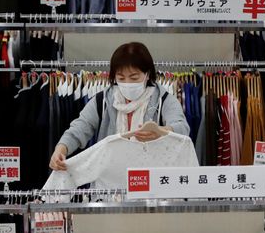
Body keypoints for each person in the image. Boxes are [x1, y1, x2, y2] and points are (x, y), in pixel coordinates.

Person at [49, 42, 190, 171]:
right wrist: (61, 149)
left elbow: (182, 128)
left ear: (147, 74)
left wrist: (162, 132)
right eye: (121, 78)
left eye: (134, 78)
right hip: (109, 182)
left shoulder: (163, 100)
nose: (127, 83)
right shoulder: (102, 101)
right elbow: (80, 127)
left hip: (151, 183)